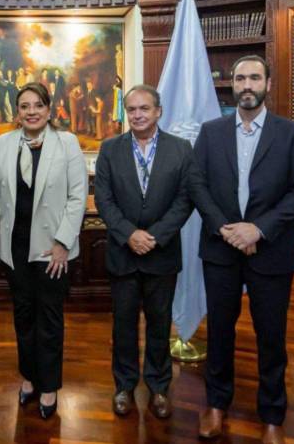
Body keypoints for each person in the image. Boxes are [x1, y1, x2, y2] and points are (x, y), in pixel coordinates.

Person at [188, 55, 294, 444]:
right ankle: (216, 404)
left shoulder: (292, 133)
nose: (246, 84)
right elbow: (197, 184)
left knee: (271, 336)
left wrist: (257, 229)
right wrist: (225, 229)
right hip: (221, 249)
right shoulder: (211, 132)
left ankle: (272, 414)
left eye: (254, 78)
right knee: (220, 332)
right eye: (240, 78)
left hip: (271, 252)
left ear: (267, 83)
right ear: (231, 84)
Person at [0, 82, 87, 419]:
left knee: (50, 320)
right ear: (17, 111)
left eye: (37, 105)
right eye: (24, 106)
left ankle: (50, 385)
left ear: (49, 108)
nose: (31, 111)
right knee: (23, 317)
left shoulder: (67, 143)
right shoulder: (4, 143)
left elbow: (77, 197)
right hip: (15, 249)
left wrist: (63, 243)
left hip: (52, 250)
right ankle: (29, 377)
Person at [94, 85, 193, 419]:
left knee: (159, 324)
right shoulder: (109, 149)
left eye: (144, 109)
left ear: (158, 111)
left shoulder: (181, 149)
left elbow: (185, 199)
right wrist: (129, 234)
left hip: (161, 254)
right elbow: (103, 199)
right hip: (123, 253)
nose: (137, 115)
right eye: (131, 109)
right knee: (123, 325)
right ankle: (123, 386)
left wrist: (155, 236)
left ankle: (159, 387)